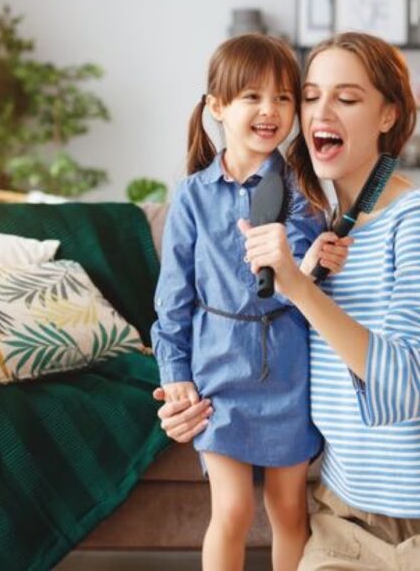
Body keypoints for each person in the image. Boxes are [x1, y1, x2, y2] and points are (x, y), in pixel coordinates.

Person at [158, 32, 420, 570]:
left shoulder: (417, 218)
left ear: (388, 114)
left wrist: (296, 285)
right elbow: (206, 319)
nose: (318, 112)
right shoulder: (318, 216)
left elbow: (402, 387)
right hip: (347, 523)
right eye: (312, 95)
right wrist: (183, 397)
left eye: (346, 98)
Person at [150, 33, 351, 571]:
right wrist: (176, 374)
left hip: (287, 371)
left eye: (284, 98)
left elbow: (307, 282)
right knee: (233, 509)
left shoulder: (304, 194)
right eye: (252, 97)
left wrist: (315, 264)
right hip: (218, 370)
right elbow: (173, 300)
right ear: (217, 106)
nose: (271, 111)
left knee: (289, 509)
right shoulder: (192, 196)